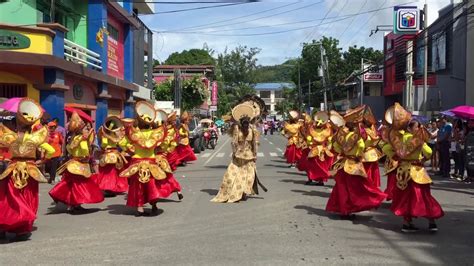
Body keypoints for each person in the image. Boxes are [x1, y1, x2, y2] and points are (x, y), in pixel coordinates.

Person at [0, 98, 55, 241]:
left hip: (12, 169)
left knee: (10, 197)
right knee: (28, 197)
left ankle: (4, 224)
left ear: (16, 123)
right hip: (30, 170)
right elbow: (50, 150)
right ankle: (22, 227)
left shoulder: (9, 137)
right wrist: (41, 160)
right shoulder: (36, 138)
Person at [382, 109, 444, 233]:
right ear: (410, 128)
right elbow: (429, 152)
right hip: (417, 171)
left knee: (406, 198)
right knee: (423, 196)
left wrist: (396, 157)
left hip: (403, 171)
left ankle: (407, 223)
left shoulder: (398, 139)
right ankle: (431, 222)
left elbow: (386, 148)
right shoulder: (418, 139)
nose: (419, 128)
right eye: (417, 126)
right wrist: (423, 157)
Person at [326, 109, 386, 219]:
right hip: (353, 164)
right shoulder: (356, 136)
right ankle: (351, 208)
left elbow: (335, 146)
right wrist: (359, 155)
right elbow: (362, 146)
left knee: (342, 188)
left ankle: (344, 210)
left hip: (343, 164)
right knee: (357, 188)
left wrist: (343, 153)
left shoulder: (341, 135)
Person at [118, 103, 176, 216]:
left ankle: (140, 207)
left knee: (137, 185)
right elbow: (163, 146)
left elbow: (124, 144)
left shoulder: (134, 133)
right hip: (151, 161)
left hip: (137, 161)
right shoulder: (156, 133)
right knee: (152, 185)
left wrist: (130, 149)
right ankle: (154, 205)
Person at [49, 112, 104, 213]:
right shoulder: (76, 138)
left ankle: (75, 204)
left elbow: (86, 149)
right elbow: (71, 148)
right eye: (84, 128)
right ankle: (72, 204)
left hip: (82, 164)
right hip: (76, 164)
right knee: (76, 186)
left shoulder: (83, 138)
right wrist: (83, 139)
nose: (86, 130)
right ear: (80, 130)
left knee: (77, 185)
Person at [212, 103, 260, 203]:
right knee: (243, 175)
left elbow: (234, 143)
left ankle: (242, 192)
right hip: (246, 156)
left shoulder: (240, 129)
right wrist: (255, 154)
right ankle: (242, 192)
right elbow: (254, 143)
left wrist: (236, 152)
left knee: (238, 175)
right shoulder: (252, 129)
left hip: (242, 156)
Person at [93, 116, 128, 196]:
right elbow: (121, 144)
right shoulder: (115, 135)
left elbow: (103, 145)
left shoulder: (105, 134)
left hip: (108, 155)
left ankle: (108, 188)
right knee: (115, 172)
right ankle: (115, 187)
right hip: (115, 154)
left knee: (108, 172)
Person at [304, 111, 334, 186]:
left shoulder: (328, 130)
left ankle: (321, 180)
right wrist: (309, 142)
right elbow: (308, 138)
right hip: (313, 149)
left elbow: (330, 141)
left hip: (322, 150)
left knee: (321, 166)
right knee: (310, 165)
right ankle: (310, 178)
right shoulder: (311, 129)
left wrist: (328, 146)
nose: (319, 125)